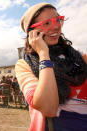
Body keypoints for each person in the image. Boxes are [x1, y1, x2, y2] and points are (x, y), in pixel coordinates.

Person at [15, 2, 87, 131]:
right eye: (46, 24)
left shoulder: (81, 58)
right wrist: (43, 54)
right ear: (32, 33)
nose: (55, 27)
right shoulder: (25, 65)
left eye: (58, 20)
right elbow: (48, 108)